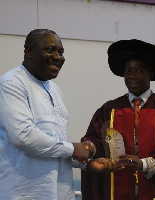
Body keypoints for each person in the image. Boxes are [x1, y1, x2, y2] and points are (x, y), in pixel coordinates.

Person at [81, 39, 155, 200]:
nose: (131, 76)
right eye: (128, 71)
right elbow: (96, 139)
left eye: (139, 70)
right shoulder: (109, 109)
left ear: (151, 74)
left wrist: (143, 164)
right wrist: (90, 147)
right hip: (118, 190)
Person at [0, 29, 110, 200]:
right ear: (29, 51)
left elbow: (55, 145)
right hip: (26, 194)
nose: (58, 57)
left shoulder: (54, 90)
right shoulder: (12, 83)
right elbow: (23, 136)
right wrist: (73, 149)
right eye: (50, 50)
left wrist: (85, 164)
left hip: (61, 193)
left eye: (61, 52)